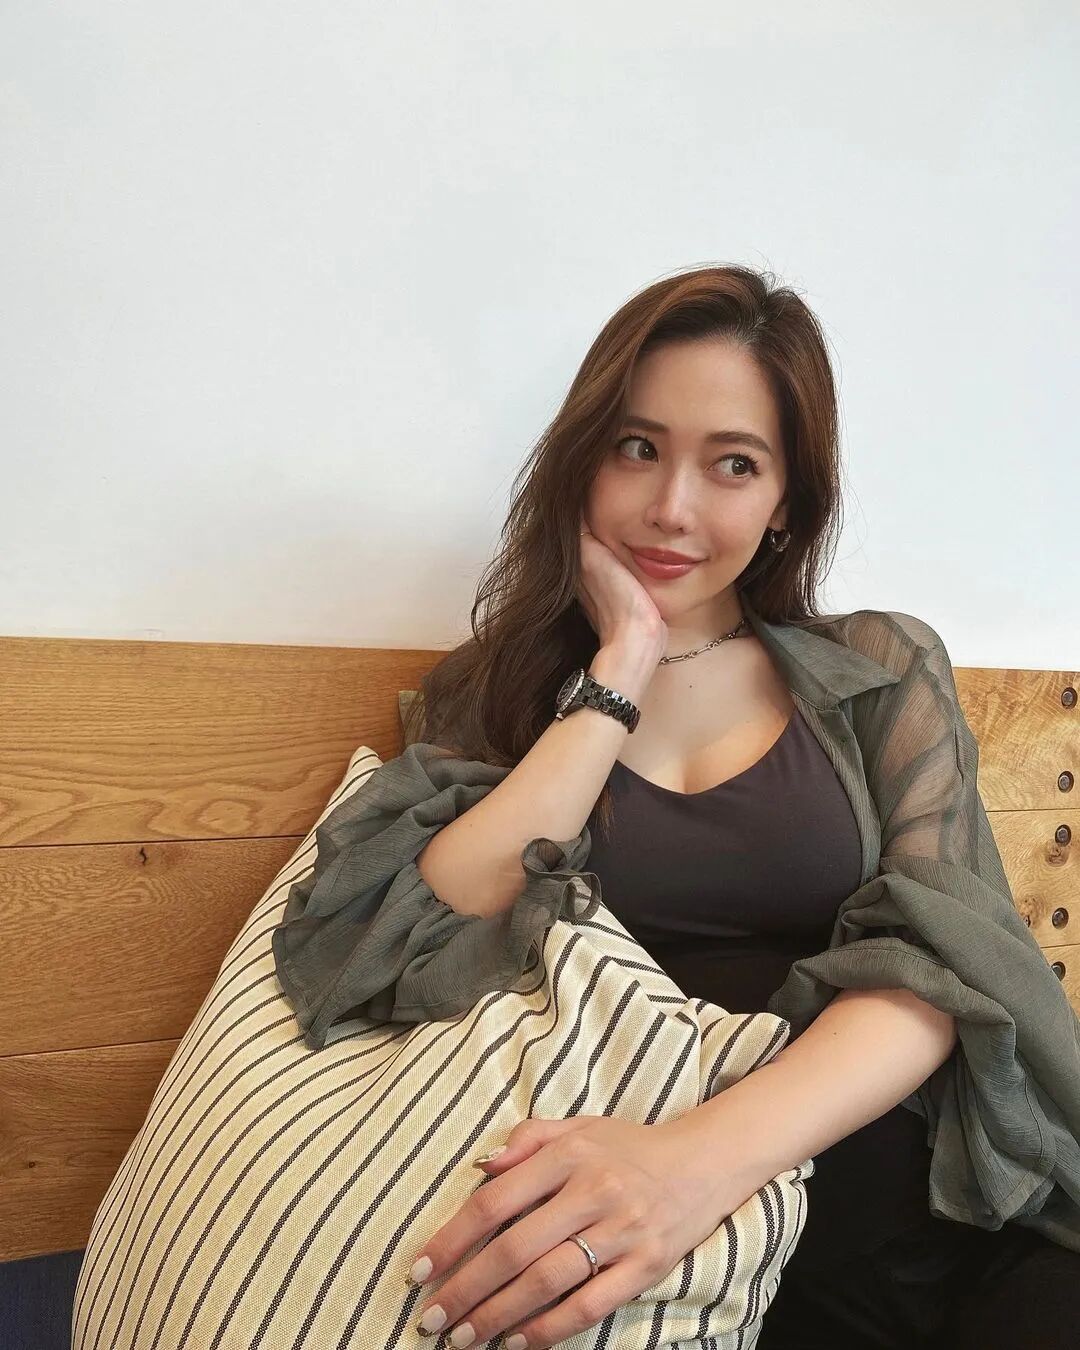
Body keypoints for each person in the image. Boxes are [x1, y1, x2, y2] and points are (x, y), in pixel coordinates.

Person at [274, 264, 1080, 1348]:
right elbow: (393, 944)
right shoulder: (501, 697)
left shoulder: (879, 670)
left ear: (788, 501)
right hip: (673, 1281)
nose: (671, 508)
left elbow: (946, 971)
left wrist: (689, 1166)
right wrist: (622, 664)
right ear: (581, 460)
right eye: (637, 447)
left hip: (913, 1213)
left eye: (734, 464)